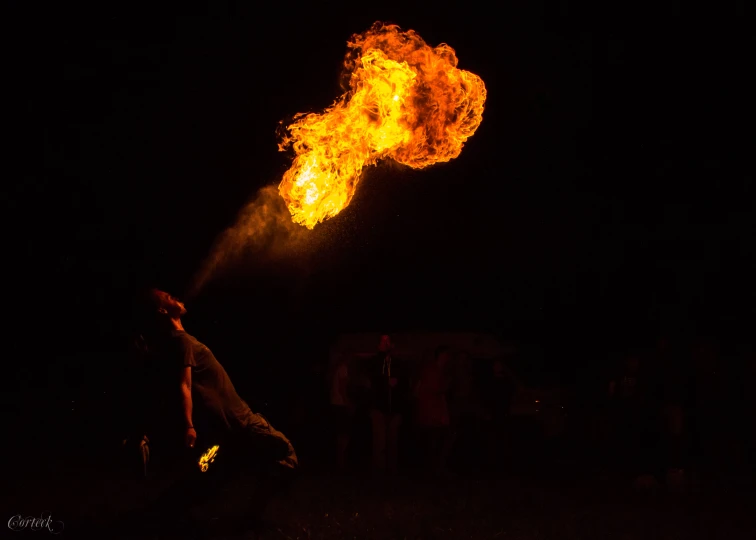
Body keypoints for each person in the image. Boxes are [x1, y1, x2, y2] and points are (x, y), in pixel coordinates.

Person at [367, 334, 410, 475]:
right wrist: (386, 381)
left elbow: (405, 383)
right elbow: (373, 377)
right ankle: (379, 472)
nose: (385, 343)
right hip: (379, 407)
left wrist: (397, 384)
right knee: (380, 442)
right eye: (382, 341)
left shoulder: (398, 363)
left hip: (395, 408)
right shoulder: (375, 362)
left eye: (388, 341)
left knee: (392, 442)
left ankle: (392, 472)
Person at [414, 346, 454, 475]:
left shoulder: (437, 371)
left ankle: (434, 468)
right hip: (432, 412)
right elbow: (437, 389)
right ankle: (433, 469)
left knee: (435, 440)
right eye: (445, 355)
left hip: (433, 412)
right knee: (434, 440)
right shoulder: (433, 371)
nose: (447, 358)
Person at [329, 353, 354, 471]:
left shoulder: (337, 369)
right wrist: (348, 403)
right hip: (340, 404)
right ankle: (341, 462)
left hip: (336, 404)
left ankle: (339, 461)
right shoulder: (343, 368)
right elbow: (342, 388)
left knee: (340, 432)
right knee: (344, 433)